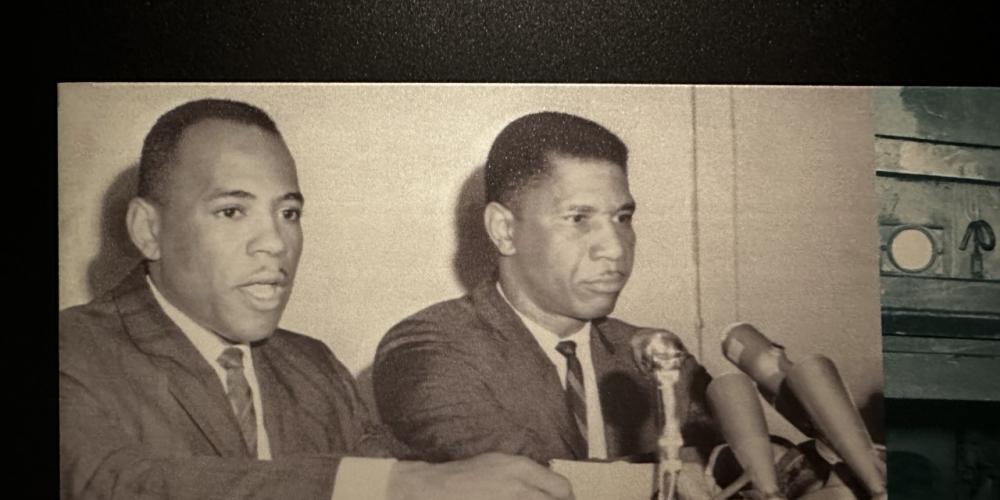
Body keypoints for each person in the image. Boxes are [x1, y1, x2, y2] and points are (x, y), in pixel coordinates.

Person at [59, 99, 574, 500]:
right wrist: (395, 488)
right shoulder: (72, 351)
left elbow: (394, 478)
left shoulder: (313, 367)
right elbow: (111, 484)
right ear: (148, 230)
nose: (275, 243)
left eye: (288, 213)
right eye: (232, 211)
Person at [373, 111, 720, 465]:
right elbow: (521, 483)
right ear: (504, 229)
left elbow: (737, 457)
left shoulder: (651, 353)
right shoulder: (427, 349)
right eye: (579, 219)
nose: (616, 248)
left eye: (622, 218)